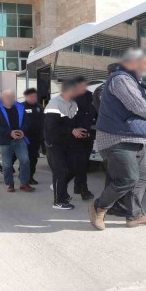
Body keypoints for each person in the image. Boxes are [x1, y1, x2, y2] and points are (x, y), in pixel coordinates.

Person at [88, 48, 146, 230]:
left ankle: (135, 215)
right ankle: (98, 207)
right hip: (117, 137)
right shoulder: (121, 79)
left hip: (135, 137)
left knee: (141, 177)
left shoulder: (135, 81)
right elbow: (136, 105)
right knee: (128, 178)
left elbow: (139, 107)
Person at [91, 63, 128, 217]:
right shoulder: (103, 89)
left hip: (115, 133)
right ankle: (108, 204)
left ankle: (113, 203)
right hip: (111, 135)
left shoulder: (108, 87)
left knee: (115, 172)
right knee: (115, 173)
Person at [44, 79, 83, 210]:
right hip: (54, 143)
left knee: (74, 168)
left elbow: (74, 122)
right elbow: (51, 127)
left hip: (68, 142)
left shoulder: (73, 103)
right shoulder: (54, 104)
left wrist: (81, 130)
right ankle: (59, 201)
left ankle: (59, 187)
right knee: (60, 171)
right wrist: (72, 130)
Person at [0, 90, 35, 193]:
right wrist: (9, 132)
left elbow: (27, 122)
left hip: (20, 139)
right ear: (3, 97)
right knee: (7, 164)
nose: (10, 99)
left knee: (25, 160)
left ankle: (24, 183)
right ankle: (10, 184)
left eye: (12, 97)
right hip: (4, 140)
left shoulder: (20, 107)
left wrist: (22, 131)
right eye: (7, 97)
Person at [71, 76, 96, 201]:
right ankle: (83, 188)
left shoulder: (91, 96)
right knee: (80, 163)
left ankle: (77, 185)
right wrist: (73, 130)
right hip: (75, 135)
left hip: (89, 134)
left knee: (84, 162)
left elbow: (95, 113)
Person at [22, 88, 44, 185]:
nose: (33, 98)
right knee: (25, 159)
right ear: (26, 97)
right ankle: (23, 176)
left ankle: (30, 176)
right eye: (31, 96)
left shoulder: (39, 107)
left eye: (35, 96)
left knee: (33, 158)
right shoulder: (21, 107)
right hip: (24, 137)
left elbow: (44, 121)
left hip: (36, 137)